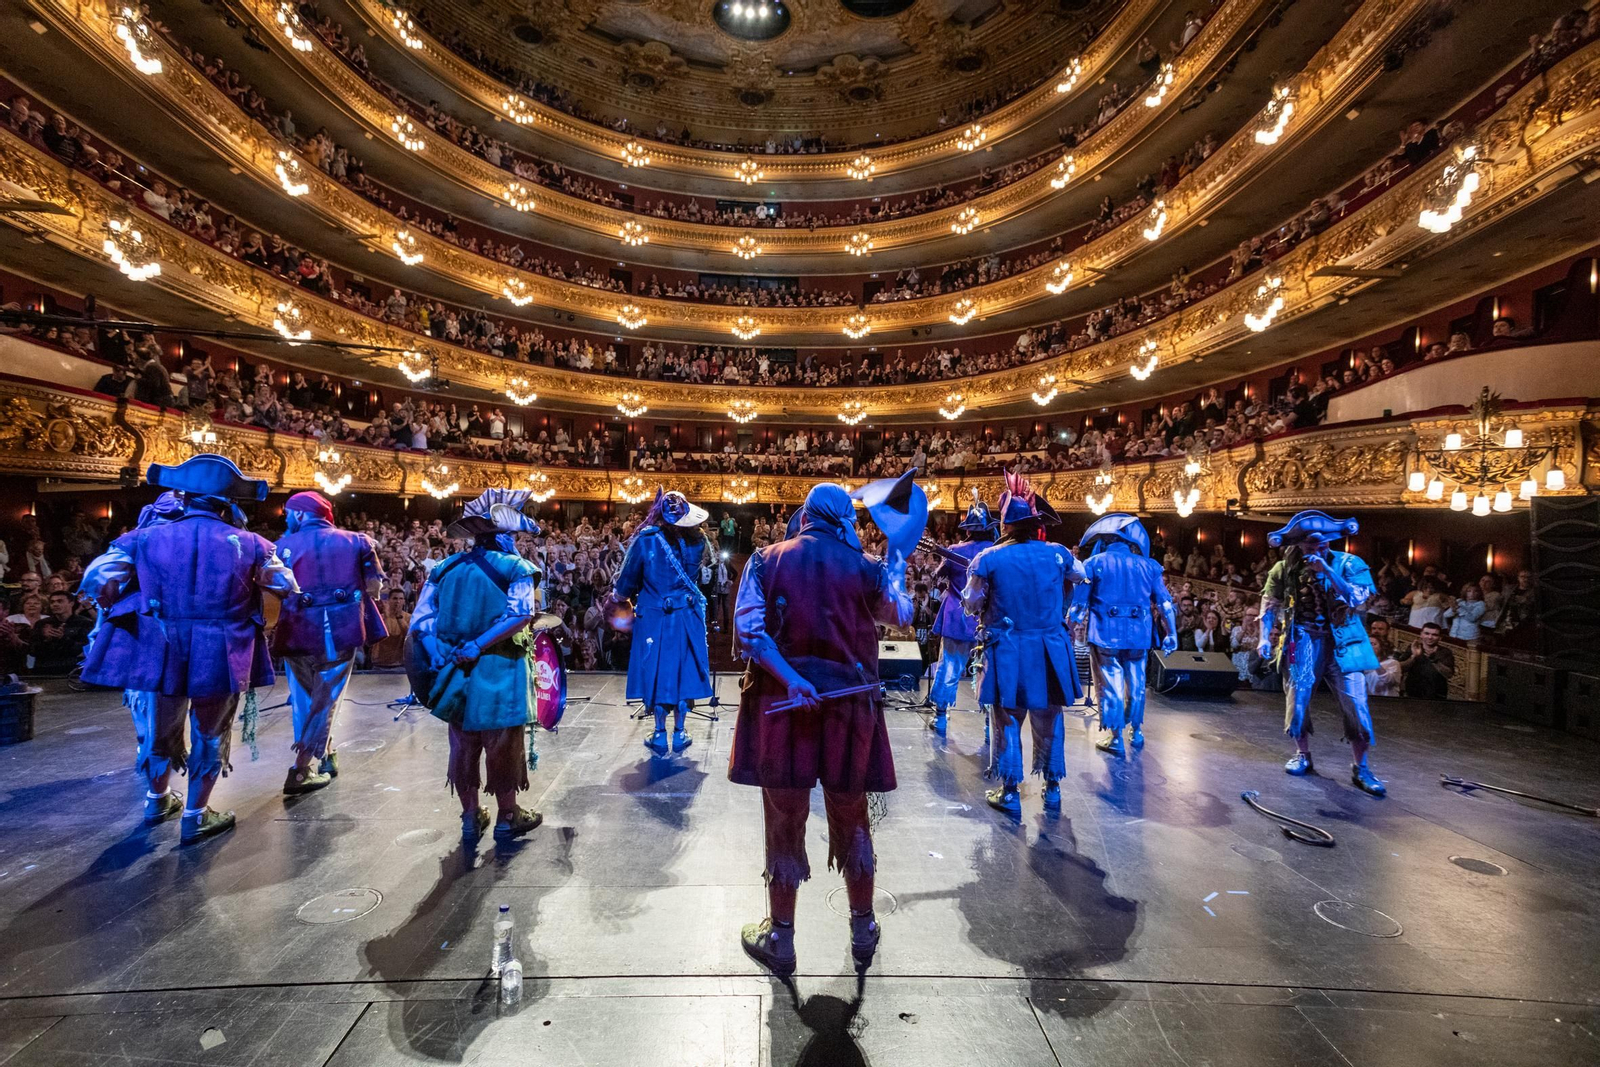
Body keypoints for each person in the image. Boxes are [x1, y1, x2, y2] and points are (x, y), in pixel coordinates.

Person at [728, 477, 920, 975]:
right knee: (853, 817)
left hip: (785, 714)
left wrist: (792, 680)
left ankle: (782, 939)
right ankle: (862, 929)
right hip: (849, 713)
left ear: (806, 513)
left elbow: (749, 631)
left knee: (784, 819)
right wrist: (895, 565)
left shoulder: (766, 559)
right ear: (843, 520)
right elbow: (902, 615)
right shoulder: (867, 567)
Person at [79, 455, 298, 843]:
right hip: (222, 649)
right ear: (226, 502)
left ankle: (156, 799)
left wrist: (120, 602)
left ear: (185, 497)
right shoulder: (251, 543)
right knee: (211, 730)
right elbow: (284, 585)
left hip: (161, 645)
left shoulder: (142, 538)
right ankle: (196, 815)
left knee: (160, 726)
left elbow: (98, 579)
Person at [407, 489, 545, 842]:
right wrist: (480, 644)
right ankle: (508, 816)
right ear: (504, 536)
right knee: (502, 743)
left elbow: (421, 622)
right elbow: (521, 614)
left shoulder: (444, 568)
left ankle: (470, 817)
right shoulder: (516, 568)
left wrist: (436, 652)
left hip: (453, 667)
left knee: (463, 743)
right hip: (501, 665)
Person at [963, 471, 1086, 814]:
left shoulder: (987, 558)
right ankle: (1053, 788)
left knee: (1007, 719)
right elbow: (1081, 576)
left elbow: (972, 603)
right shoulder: (1059, 553)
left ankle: (1010, 791)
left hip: (1009, 648)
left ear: (1004, 526)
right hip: (1050, 647)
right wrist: (1065, 609)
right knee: (1049, 717)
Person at [1257, 511, 1386, 797]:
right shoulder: (1283, 568)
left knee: (1356, 705)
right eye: (1309, 547)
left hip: (1345, 643)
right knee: (1298, 700)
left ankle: (1361, 766)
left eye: (1322, 546)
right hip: (1302, 640)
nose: (1316, 551)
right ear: (1299, 545)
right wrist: (1264, 637)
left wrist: (1327, 572)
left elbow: (1358, 599)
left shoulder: (1350, 563)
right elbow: (1269, 603)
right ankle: (1302, 754)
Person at [273, 491, 387, 795]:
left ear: (300, 514)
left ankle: (328, 756)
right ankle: (301, 768)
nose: (286, 518)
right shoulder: (359, 541)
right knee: (326, 698)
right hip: (341, 627)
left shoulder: (281, 545)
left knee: (305, 698)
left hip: (296, 628)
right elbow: (375, 586)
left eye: (288, 513)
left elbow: (275, 589)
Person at [610, 489, 713, 756]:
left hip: (655, 618)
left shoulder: (646, 541)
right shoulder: (698, 541)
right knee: (682, 672)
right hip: (687, 616)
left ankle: (659, 734)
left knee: (656, 672)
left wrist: (617, 598)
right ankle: (679, 733)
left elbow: (625, 585)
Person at [1070, 513, 1178, 758]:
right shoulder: (1148, 565)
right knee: (1137, 683)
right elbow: (1166, 604)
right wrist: (1172, 633)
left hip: (1105, 633)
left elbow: (1078, 606)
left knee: (1111, 683)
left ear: (1105, 539)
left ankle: (1116, 736)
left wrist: (1068, 630)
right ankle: (1137, 731)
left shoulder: (1095, 563)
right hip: (1139, 634)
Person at [927, 491, 997, 737]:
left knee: (949, 668)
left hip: (957, 617)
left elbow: (938, 575)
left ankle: (940, 718)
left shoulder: (956, 549)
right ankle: (990, 725)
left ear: (968, 529)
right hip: (988, 620)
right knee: (988, 671)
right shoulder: (996, 551)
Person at [28, 590, 91, 674]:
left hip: (72, 670)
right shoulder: (41, 624)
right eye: (52, 602)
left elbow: (85, 650)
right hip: (44, 670)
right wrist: (45, 639)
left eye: (60, 601)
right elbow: (32, 651)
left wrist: (63, 639)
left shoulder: (84, 623)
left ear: (71, 603)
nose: (55, 604)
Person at [1400, 621, 1455, 698]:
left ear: (1440, 638)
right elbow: (1401, 668)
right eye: (1427, 633)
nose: (1430, 637)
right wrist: (1414, 656)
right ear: (1421, 635)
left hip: (1437, 693)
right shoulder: (1412, 648)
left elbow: (1449, 674)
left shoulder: (1445, 652)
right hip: (1413, 691)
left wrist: (1433, 660)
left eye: (1434, 635)